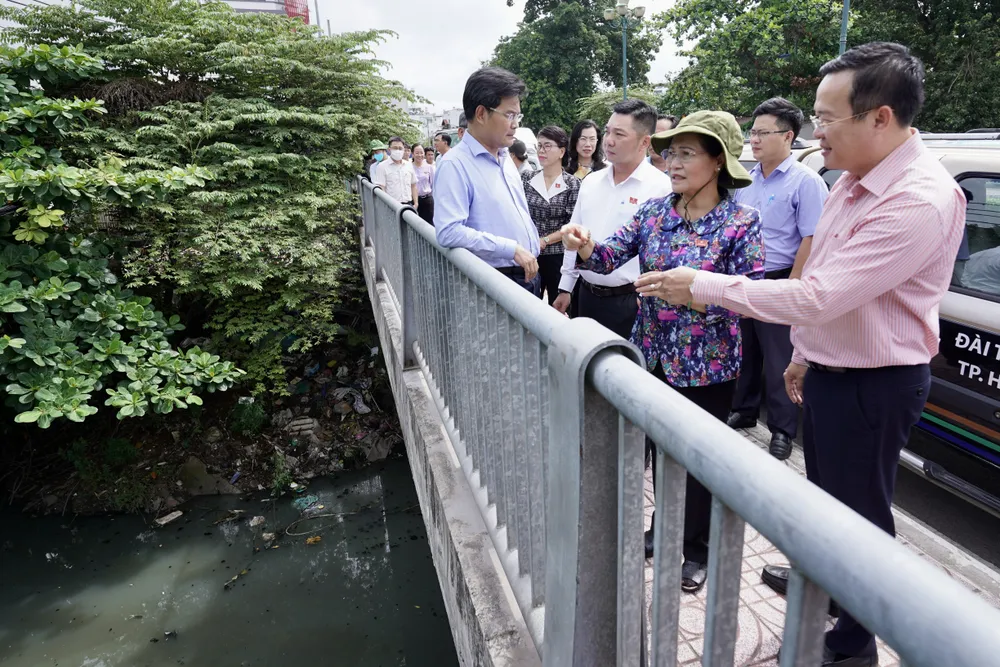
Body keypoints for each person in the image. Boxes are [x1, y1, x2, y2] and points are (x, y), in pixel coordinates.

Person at [653, 43, 965, 667]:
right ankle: (823, 588)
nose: (813, 133)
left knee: (859, 519)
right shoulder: (853, 181)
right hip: (832, 369)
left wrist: (705, 285)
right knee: (827, 505)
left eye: (825, 119)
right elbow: (826, 274)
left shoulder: (917, 198)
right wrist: (804, 354)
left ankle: (851, 647)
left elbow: (820, 293)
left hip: (874, 383)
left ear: (880, 117)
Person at [561, 110, 764, 592]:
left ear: (717, 162)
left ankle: (698, 549)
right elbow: (612, 255)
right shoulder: (655, 212)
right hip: (653, 355)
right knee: (659, 452)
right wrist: (585, 246)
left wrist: (696, 293)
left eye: (687, 153)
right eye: (670, 152)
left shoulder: (741, 222)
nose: (672, 162)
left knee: (700, 460)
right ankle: (664, 529)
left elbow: (751, 295)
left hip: (709, 365)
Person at [726, 97, 829, 460]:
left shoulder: (806, 182)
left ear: (787, 136)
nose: (753, 139)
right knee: (746, 350)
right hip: (746, 277)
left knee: (780, 358)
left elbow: (812, 238)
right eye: (751, 132)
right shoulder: (747, 179)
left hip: (782, 277)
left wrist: (794, 285)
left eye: (762, 133)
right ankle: (745, 409)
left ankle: (783, 430)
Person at [435, 67, 560, 295]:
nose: (515, 124)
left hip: (527, 273)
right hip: (497, 281)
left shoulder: (504, 157)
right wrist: (510, 248)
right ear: (481, 114)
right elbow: (449, 231)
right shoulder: (455, 164)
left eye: (518, 116)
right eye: (509, 115)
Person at [556, 99, 672, 336]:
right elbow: (574, 235)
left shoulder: (662, 188)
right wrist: (565, 287)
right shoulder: (591, 182)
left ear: (644, 142)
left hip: (631, 303)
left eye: (619, 134)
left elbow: (666, 255)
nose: (608, 140)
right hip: (586, 296)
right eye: (608, 131)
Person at [522, 125, 581, 305]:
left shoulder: (573, 184)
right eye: (539, 146)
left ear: (561, 151)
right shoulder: (527, 178)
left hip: (558, 257)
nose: (542, 151)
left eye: (548, 146)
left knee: (557, 308)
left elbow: (572, 223)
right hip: (529, 253)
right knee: (529, 305)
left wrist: (545, 240)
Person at [374, 136, 418, 205]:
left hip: (409, 204)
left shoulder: (409, 165)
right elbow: (381, 189)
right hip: (392, 206)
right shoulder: (382, 167)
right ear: (389, 149)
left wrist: (416, 203)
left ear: (403, 149)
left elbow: (413, 185)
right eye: (395, 148)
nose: (398, 150)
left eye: (400, 148)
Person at [411, 144, 435, 224]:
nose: (419, 155)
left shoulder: (429, 167)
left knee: (429, 223)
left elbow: (433, 184)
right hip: (414, 201)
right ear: (412, 154)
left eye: (421, 153)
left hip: (427, 200)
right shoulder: (409, 167)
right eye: (417, 153)